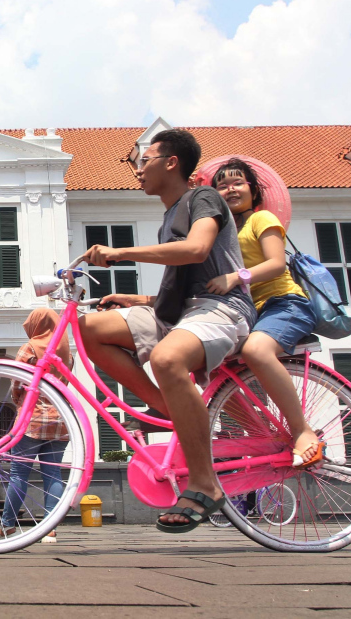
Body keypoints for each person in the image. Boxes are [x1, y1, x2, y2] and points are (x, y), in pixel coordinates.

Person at [79, 129, 255, 534]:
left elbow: (196, 251)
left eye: (144, 160)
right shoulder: (169, 215)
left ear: (171, 162)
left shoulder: (203, 198)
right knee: (88, 328)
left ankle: (205, 484)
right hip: (180, 315)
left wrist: (120, 252)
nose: (138, 170)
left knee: (167, 358)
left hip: (222, 308)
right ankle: (171, 410)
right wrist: (139, 300)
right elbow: (181, 286)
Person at [206, 159, 321, 465]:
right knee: (207, 366)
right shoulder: (219, 234)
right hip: (250, 314)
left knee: (257, 351)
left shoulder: (262, 219)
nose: (230, 189)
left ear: (253, 190)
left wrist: (235, 277)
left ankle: (302, 431)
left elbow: (276, 263)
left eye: (237, 183)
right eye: (222, 185)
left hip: (285, 303)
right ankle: (260, 433)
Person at [0, 308, 72, 544]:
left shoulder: (30, 347)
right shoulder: (65, 350)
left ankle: (8, 525)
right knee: (53, 473)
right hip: (60, 419)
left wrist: (17, 401)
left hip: (33, 418)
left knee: (19, 473)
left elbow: (17, 381)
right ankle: (49, 528)